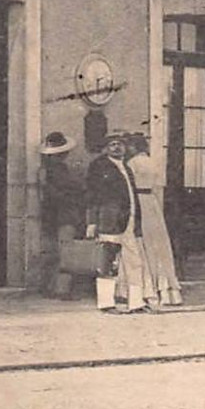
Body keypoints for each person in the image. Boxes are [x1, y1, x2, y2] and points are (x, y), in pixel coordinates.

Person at [85, 133, 158, 313]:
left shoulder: (126, 166)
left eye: (120, 145)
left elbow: (132, 196)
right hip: (110, 221)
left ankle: (136, 303)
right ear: (106, 147)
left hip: (130, 222)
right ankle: (106, 304)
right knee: (108, 262)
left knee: (135, 262)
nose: (117, 148)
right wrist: (92, 221)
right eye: (113, 144)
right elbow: (92, 195)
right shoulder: (99, 166)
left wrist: (137, 222)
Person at [125, 133, 183, 307]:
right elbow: (159, 187)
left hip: (138, 202)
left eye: (129, 146)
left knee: (141, 244)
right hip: (152, 203)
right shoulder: (154, 162)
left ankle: (146, 289)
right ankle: (168, 291)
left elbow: (129, 189)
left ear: (134, 147)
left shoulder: (131, 163)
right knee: (158, 244)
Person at [36, 132, 84, 293]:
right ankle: (61, 289)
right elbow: (69, 191)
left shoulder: (43, 171)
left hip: (49, 214)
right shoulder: (62, 171)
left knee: (50, 252)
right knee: (65, 251)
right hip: (64, 213)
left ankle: (47, 286)